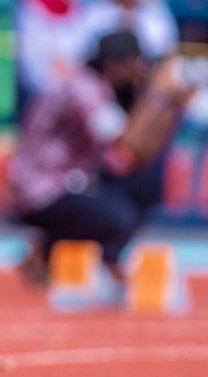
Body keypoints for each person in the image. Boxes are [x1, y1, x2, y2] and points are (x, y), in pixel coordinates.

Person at [11, 31, 193, 286]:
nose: (140, 72)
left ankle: (52, 250)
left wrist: (171, 108)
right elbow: (126, 143)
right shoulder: (83, 89)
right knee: (118, 214)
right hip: (41, 189)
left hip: (71, 183)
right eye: (135, 65)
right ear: (115, 65)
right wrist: (156, 96)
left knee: (144, 187)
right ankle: (91, 260)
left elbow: (138, 156)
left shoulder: (99, 90)